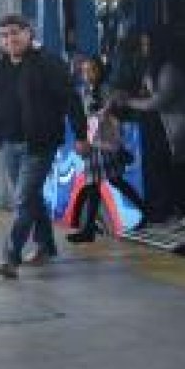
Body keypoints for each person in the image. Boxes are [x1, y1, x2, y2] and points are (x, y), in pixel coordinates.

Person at [0, 14, 88, 279]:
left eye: (15, 33)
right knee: (31, 197)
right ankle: (45, 246)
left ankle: (11, 258)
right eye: (4, 35)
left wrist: (81, 135)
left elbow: (71, 99)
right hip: (9, 142)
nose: (10, 39)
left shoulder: (48, 63)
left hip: (39, 143)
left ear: (29, 33)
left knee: (23, 199)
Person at [117, 29, 185, 220]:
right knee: (168, 169)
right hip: (168, 127)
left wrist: (130, 102)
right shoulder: (153, 68)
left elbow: (159, 101)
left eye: (147, 44)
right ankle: (171, 208)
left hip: (181, 126)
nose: (143, 48)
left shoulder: (168, 70)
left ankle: (178, 209)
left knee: (178, 170)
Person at [68, 57, 147, 243]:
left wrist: (103, 110)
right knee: (104, 182)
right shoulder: (85, 90)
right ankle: (145, 210)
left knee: (101, 183)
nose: (87, 74)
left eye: (91, 70)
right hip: (94, 142)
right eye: (84, 71)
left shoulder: (105, 89)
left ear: (99, 71)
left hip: (102, 143)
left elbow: (112, 111)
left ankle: (89, 230)